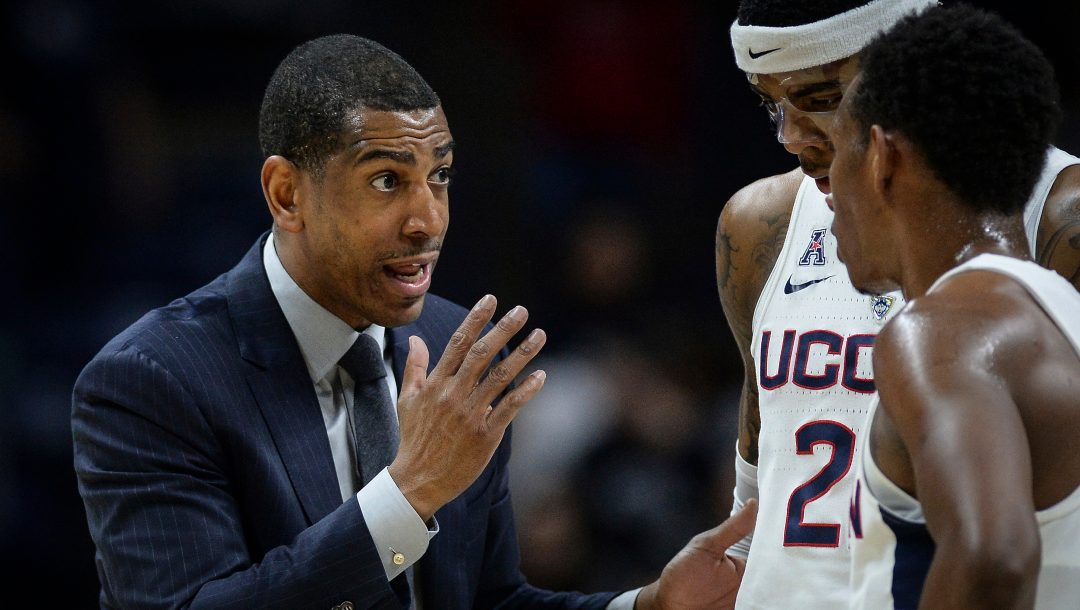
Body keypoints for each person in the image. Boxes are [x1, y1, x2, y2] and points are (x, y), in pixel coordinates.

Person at [71, 34, 756, 609]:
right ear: (287, 194)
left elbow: (487, 600)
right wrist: (410, 493)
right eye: (386, 181)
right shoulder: (151, 382)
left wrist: (645, 605)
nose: (428, 218)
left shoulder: (451, 350)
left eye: (442, 175)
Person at [717, 1, 1080, 608]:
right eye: (771, 103)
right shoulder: (759, 224)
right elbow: (761, 494)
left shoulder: (1046, 233)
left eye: (821, 97)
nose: (789, 137)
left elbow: (993, 555)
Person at [826, 5, 1080, 608]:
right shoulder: (1059, 312)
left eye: (838, 149)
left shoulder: (941, 330)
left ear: (884, 157)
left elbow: (992, 557)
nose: (829, 189)